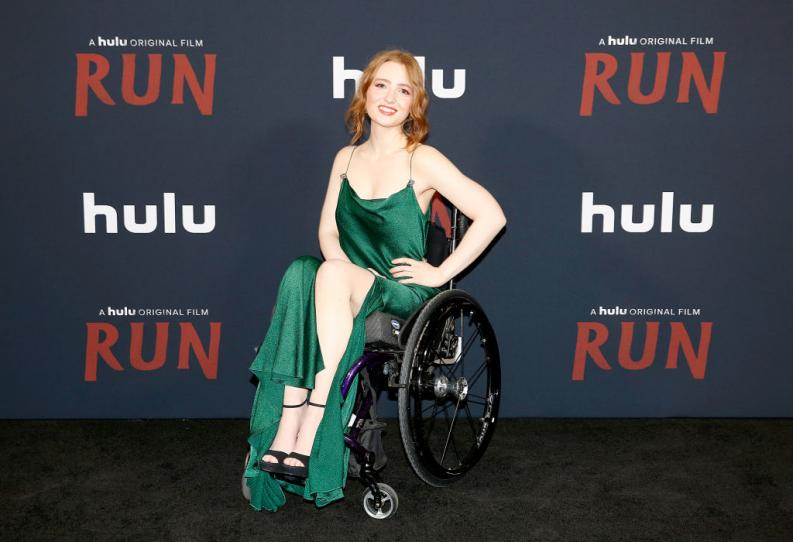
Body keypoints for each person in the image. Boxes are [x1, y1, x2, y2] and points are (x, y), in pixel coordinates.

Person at [243, 48, 507, 512]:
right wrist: (343, 272)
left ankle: (310, 424)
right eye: (381, 85)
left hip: (402, 293)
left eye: (403, 90)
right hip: (346, 282)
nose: (390, 97)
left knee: (326, 276)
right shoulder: (345, 158)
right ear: (364, 93)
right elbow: (328, 232)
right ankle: (287, 426)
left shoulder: (422, 160)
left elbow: (492, 215)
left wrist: (440, 272)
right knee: (301, 271)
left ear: (414, 104)